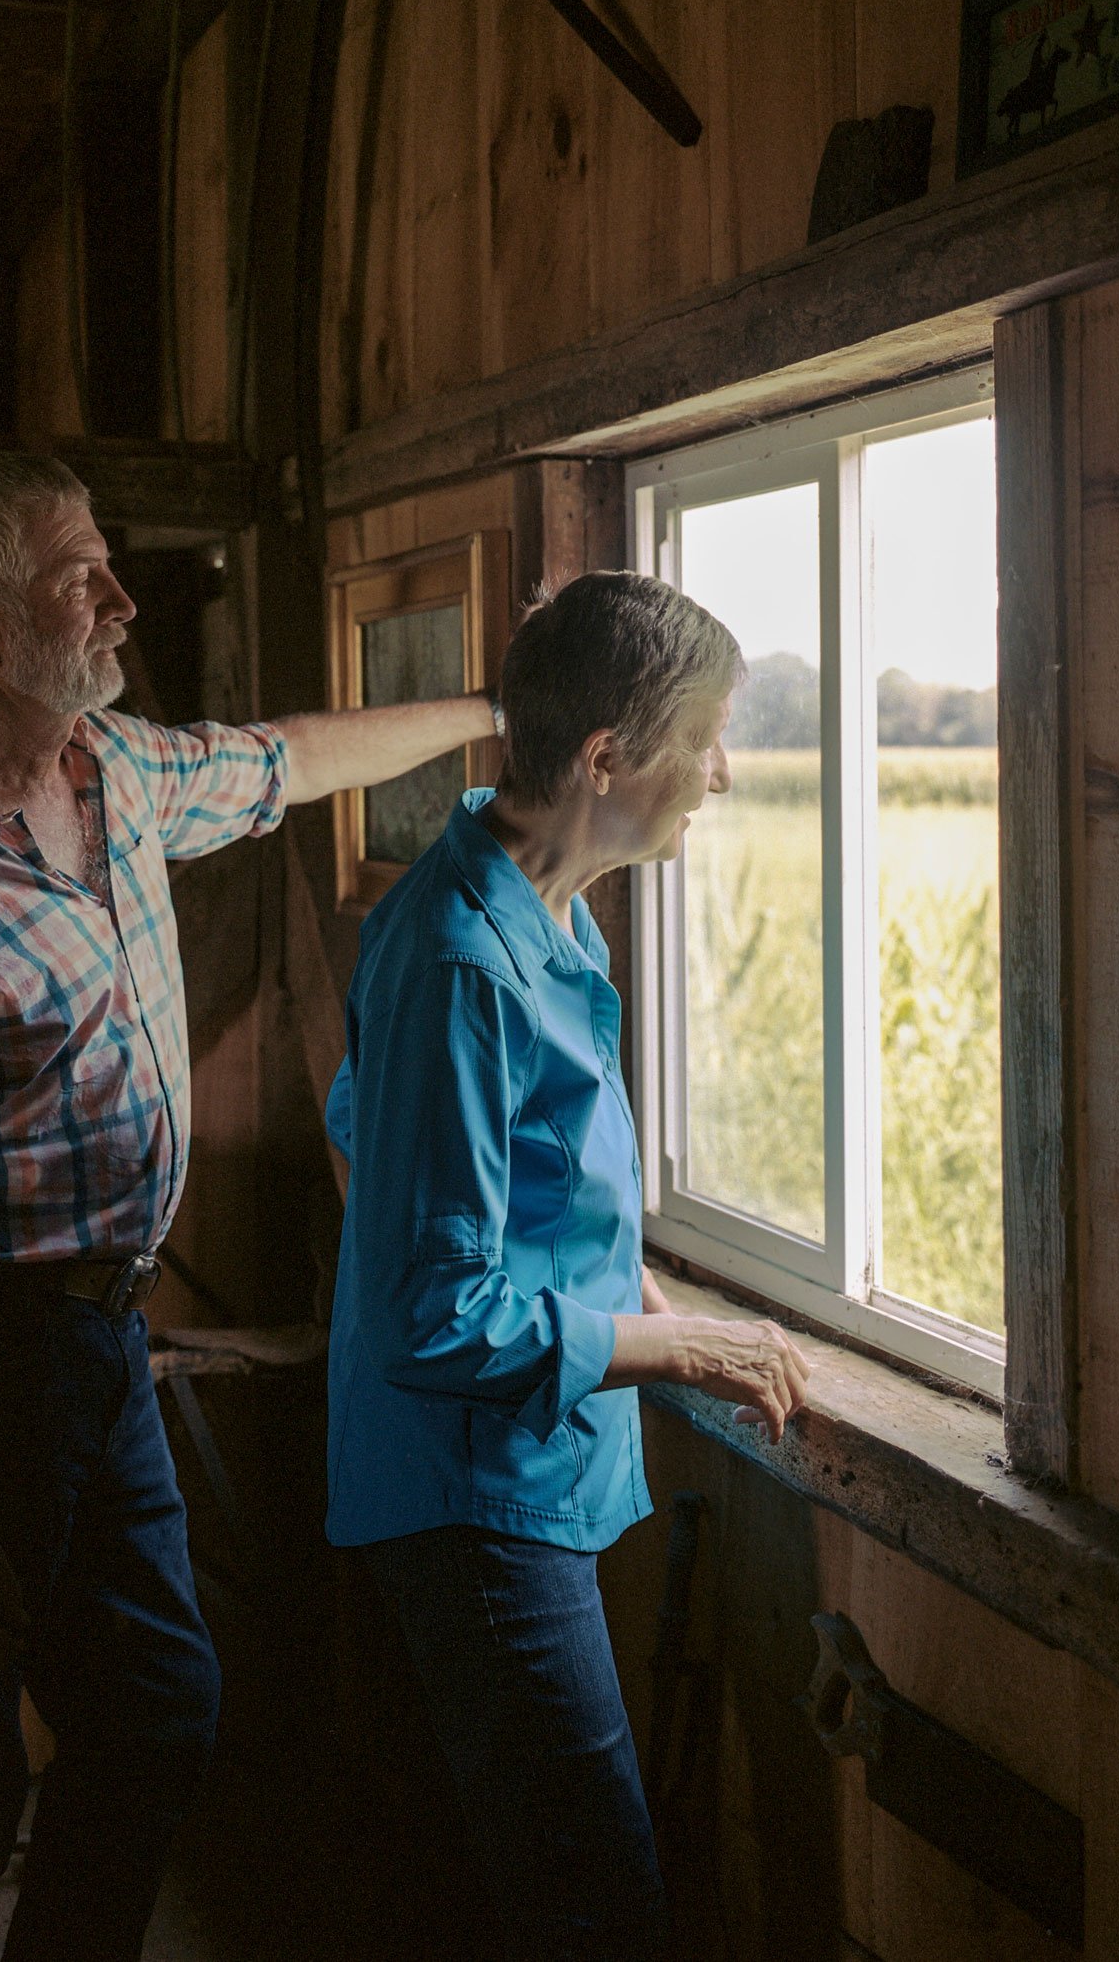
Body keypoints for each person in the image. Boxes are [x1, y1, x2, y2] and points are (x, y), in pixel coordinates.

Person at [0, 450, 495, 1962]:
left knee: (161, 1713)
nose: (121, 598)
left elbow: (294, 757)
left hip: (101, 1342)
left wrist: (498, 713)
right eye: (77, 576)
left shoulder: (123, 773)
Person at [324, 570, 812, 1962]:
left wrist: (649, 1301)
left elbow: (383, 1137)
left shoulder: (552, 915)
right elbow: (435, 1314)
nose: (720, 774)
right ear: (606, 758)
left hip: (514, 1467)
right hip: (475, 1494)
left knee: (528, 1884)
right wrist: (692, 1350)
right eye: (703, 739)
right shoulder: (468, 957)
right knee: (596, 1905)